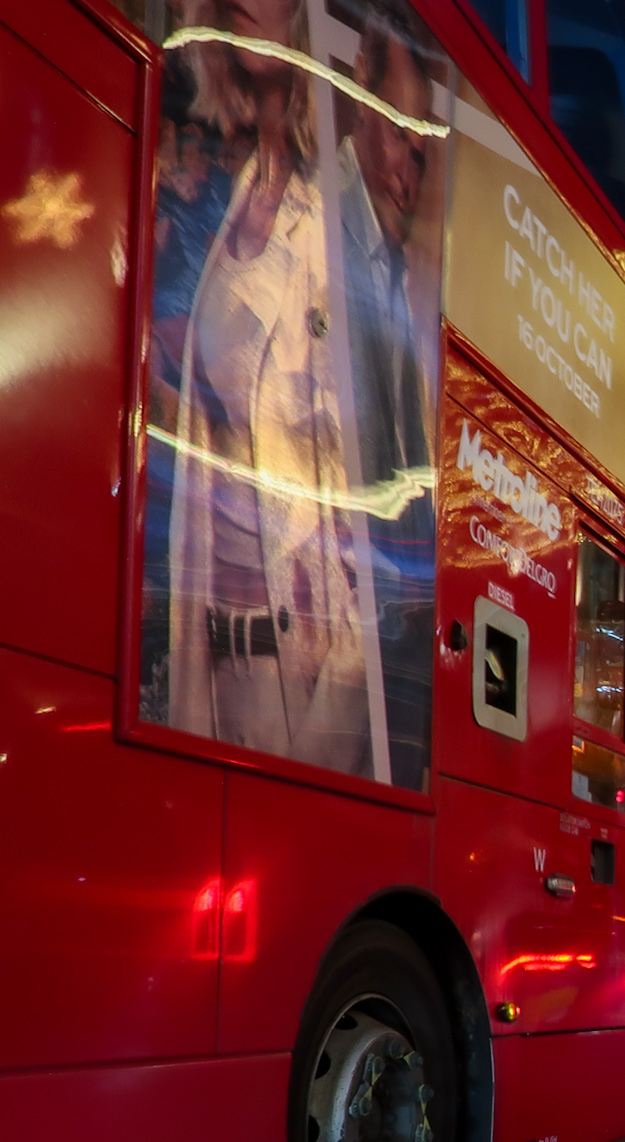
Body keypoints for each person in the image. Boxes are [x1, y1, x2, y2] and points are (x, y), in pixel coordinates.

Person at [164, 0, 372, 778]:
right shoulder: (225, 190)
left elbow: (354, 469)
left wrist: (335, 712)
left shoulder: (327, 219)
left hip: (300, 671)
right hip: (207, 660)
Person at [339, 0, 444, 790]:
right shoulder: (325, 226)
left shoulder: (389, 267)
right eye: (396, 134)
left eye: (420, 153)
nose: (405, 173)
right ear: (358, 82)